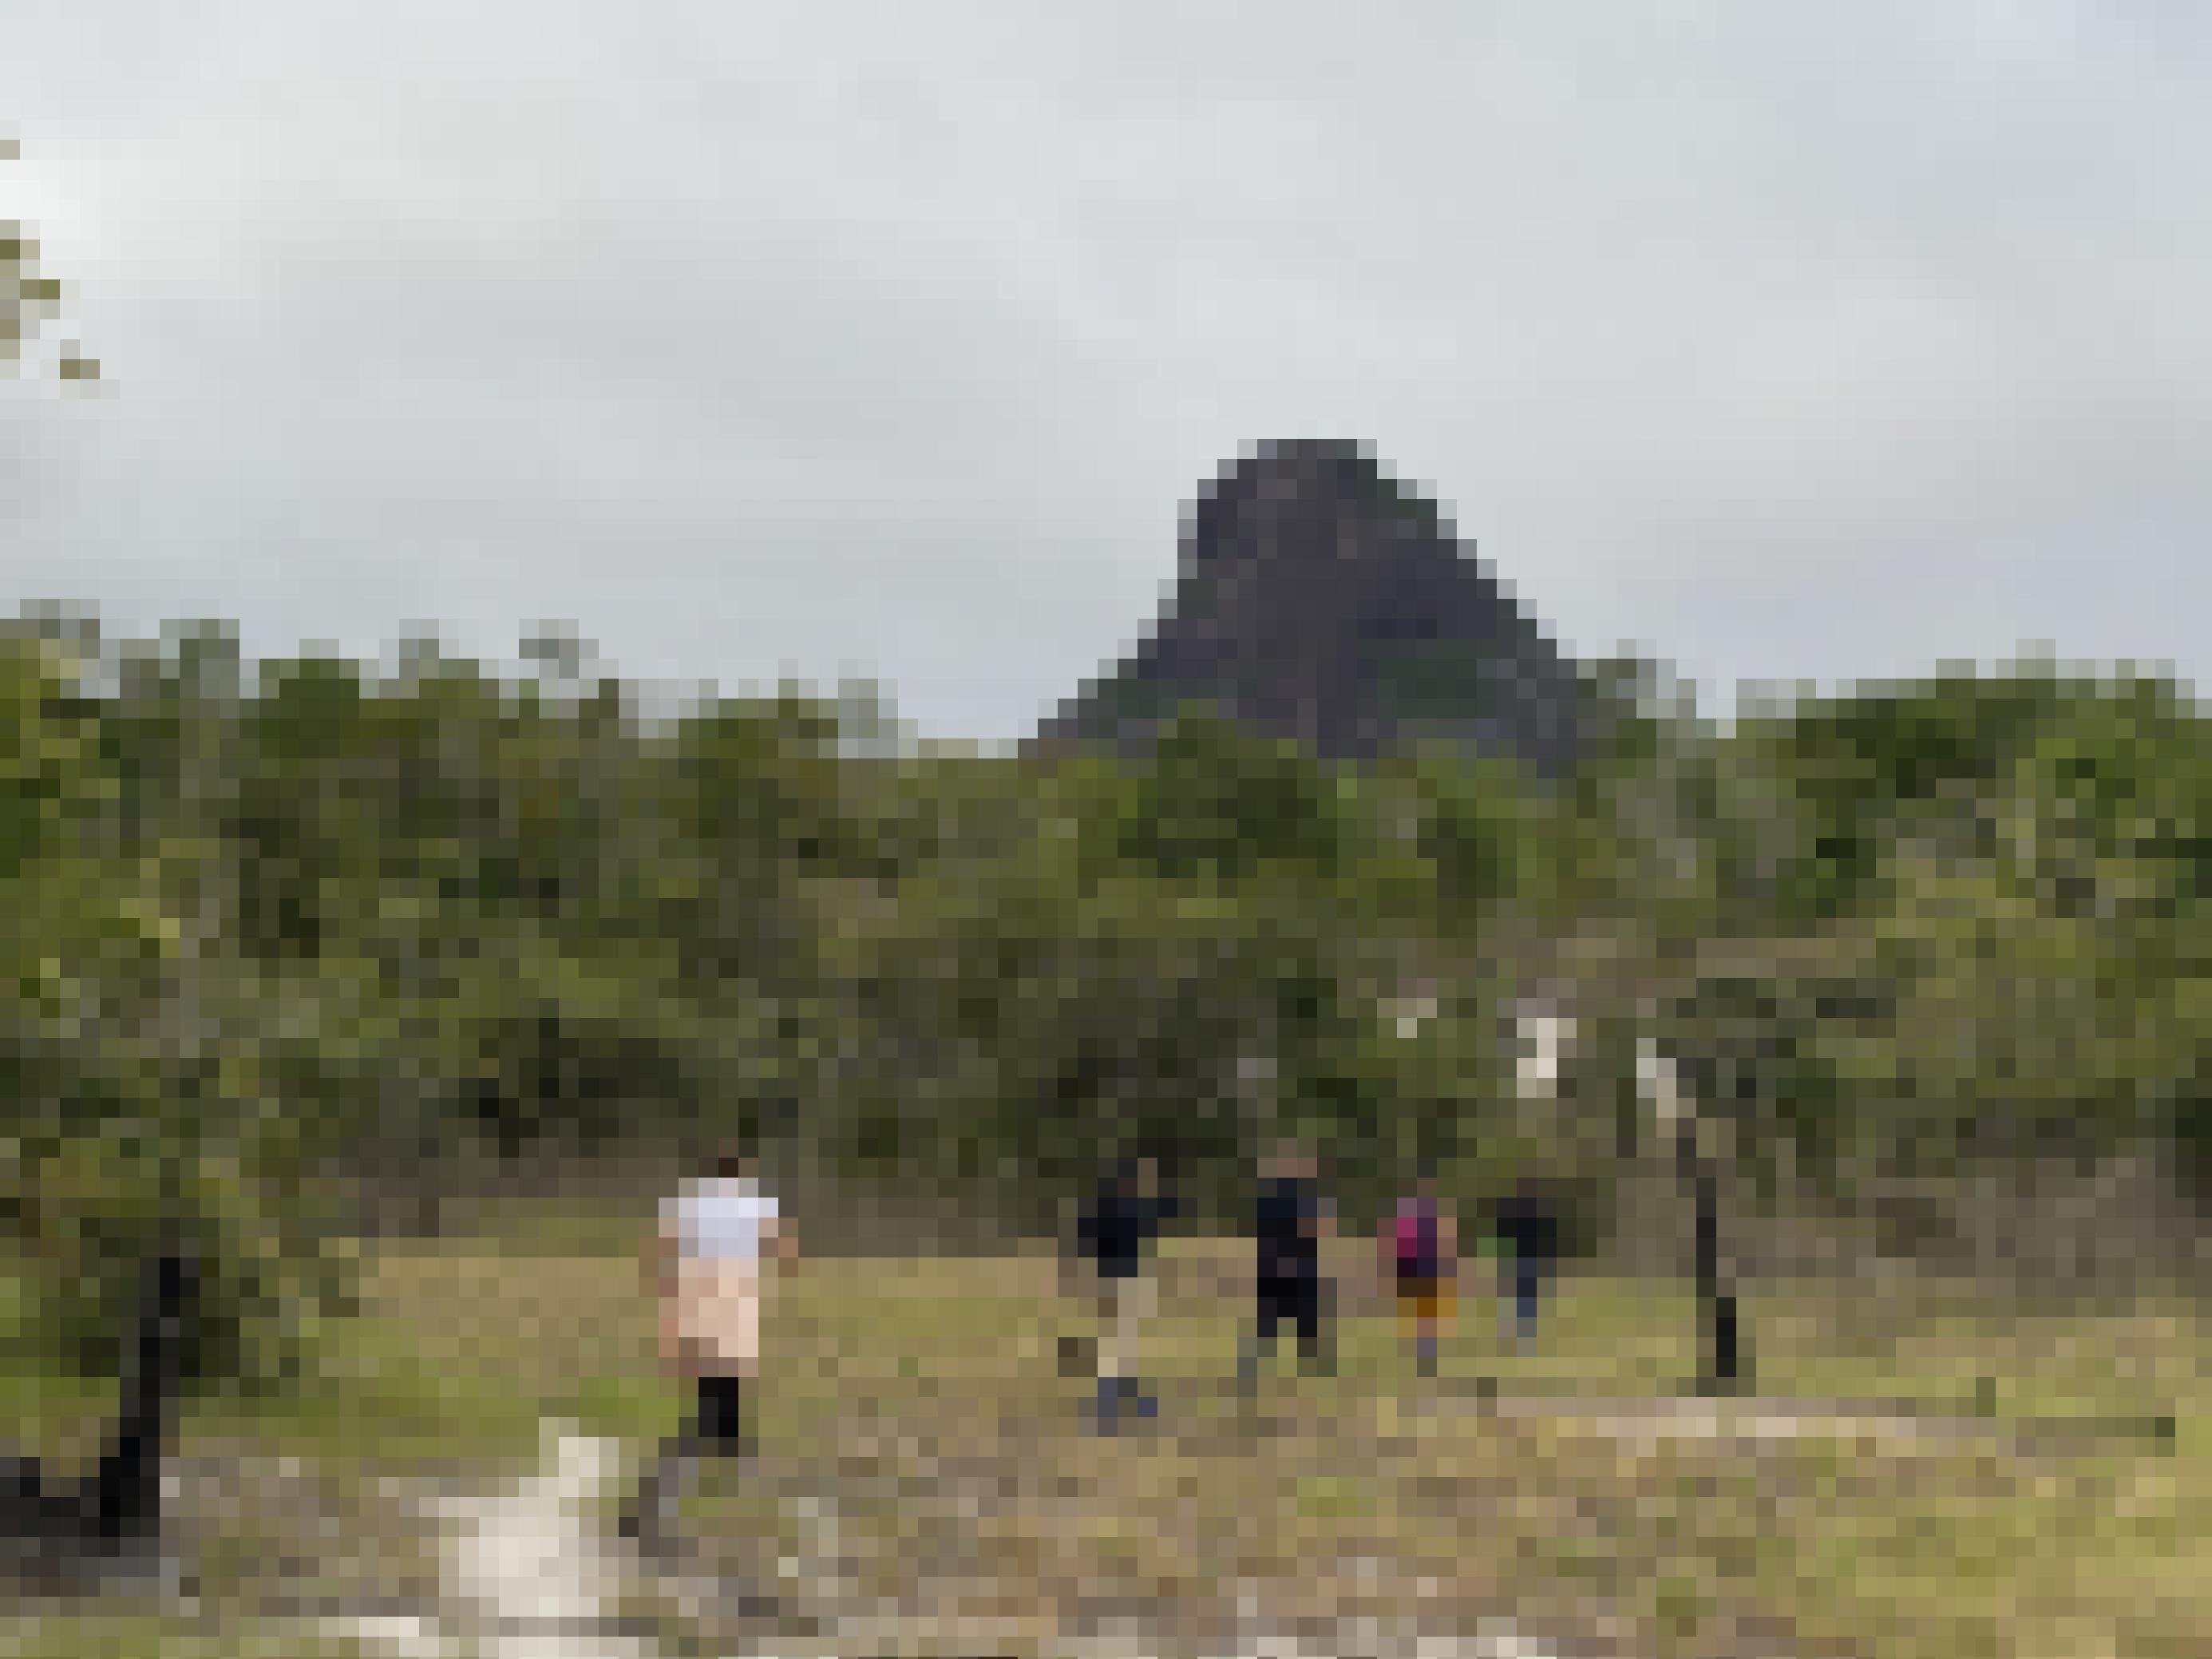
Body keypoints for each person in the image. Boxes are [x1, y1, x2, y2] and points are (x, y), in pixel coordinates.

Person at [620, 1139, 797, 1547]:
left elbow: (664, 1245)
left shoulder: (689, 1200)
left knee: (707, 1355)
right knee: (733, 1356)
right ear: (741, 1170)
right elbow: (780, 1245)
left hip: (697, 1280)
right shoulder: (753, 1200)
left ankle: (716, 1428)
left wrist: (666, 1283)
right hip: (737, 1282)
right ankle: (725, 1435)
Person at [1073, 1154, 1177, 1432]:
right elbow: (1086, 1238)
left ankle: (1125, 1396)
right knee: (1114, 1340)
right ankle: (1106, 1405)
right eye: (1146, 1178)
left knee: (1126, 1338)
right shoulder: (1111, 1206)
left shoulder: (1136, 1207)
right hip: (1111, 1277)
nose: (1151, 1185)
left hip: (1127, 1277)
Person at [1237, 1139, 1336, 1393]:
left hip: (1285, 1265)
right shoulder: (1297, 1198)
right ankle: (1262, 1367)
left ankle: (1262, 1366)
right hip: (1287, 1265)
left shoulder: (1283, 1197)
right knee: (1280, 1322)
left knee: (1283, 1322)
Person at [1380, 1166, 1457, 1379]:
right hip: (1412, 1267)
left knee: (1425, 1312)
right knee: (1416, 1312)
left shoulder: (1430, 1212)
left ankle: (1425, 1354)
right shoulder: (1411, 1212)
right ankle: (1421, 1353)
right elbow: (1398, 1243)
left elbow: (1443, 1242)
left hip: (1424, 1267)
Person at [1494, 1173, 1558, 1352]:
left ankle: (1522, 1334)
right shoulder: (1534, 1209)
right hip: (1520, 1259)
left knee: (1522, 1295)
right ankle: (1520, 1334)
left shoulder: (1513, 1208)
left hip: (1524, 1259)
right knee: (1519, 1295)